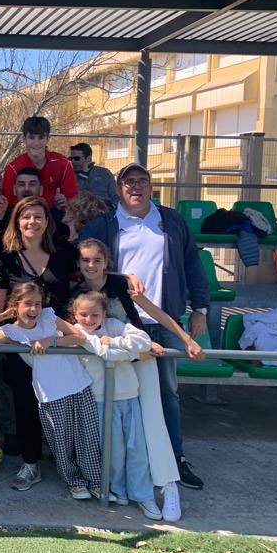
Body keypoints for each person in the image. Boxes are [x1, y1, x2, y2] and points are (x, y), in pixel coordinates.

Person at [79, 162, 209, 491]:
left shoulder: (172, 221)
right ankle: (110, 464)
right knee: (116, 392)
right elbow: (86, 266)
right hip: (119, 322)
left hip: (163, 319)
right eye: (128, 182)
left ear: (151, 186)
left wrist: (201, 308)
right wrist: (123, 277)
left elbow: (192, 264)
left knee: (167, 394)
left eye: (142, 181)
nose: (135, 187)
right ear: (118, 189)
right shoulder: (102, 225)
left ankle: (174, 459)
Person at [0, 283, 99, 500]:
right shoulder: (10, 331)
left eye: (38, 304)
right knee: (61, 440)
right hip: (50, 392)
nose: (33, 309)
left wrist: (51, 340)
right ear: (15, 305)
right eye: (28, 304)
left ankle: (95, 481)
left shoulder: (49, 317)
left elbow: (79, 336)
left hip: (78, 384)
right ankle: (74, 481)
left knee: (87, 436)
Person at [0, 196, 79, 492]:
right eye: (26, 216)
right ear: (17, 222)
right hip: (23, 348)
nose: (32, 222)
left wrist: (126, 277)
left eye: (38, 216)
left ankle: (67, 461)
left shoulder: (64, 254)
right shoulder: (6, 261)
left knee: (63, 404)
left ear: (47, 221)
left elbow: (95, 271)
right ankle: (31, 463)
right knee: (26, 406)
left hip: (57, 344)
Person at [71, 291, 161, 519]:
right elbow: (104, 353)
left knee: (137, 449)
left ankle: (143, 495)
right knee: (114, 451)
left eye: (95, 314)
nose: (89, 319)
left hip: (129, 395)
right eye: (84, 314)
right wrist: (132, 354)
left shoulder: (113, 326)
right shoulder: (76, 332)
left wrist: (114, 341)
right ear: (75, 314)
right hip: (100, 399)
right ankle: (119, 490)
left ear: (104, 313)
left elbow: (144, 341)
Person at [1, 115, 78, 211]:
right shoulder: (13, 168)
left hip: (56, 214)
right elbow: (11, 204)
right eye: (31, 138)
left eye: (41, 138)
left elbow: (73, 198)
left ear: (48, 139)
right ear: (24, 139)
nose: (36, 143)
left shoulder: (63, 163)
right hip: (24, 215)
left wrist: (65, 203)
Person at [70, 142, 117, 208]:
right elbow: (74, 195)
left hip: (105, 210)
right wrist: (83, 174)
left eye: (76, 158)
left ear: (88, 158)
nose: (72, 161)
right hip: (80, 211)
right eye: (70, 159)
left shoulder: (104, 173)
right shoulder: (69, 175)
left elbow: (115, 196)